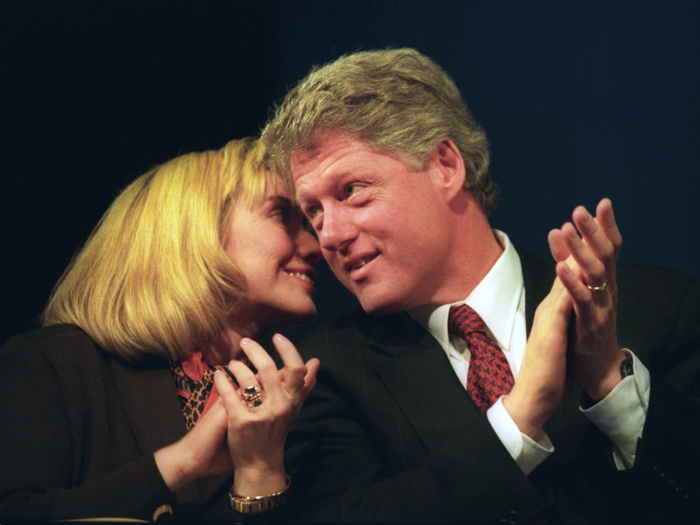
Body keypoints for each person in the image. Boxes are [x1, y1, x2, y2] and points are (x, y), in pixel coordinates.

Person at [262, 48, 700, 524]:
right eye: (315, 212)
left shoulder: (665, 308)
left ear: (446, 167)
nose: (329, 236)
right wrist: (518, 418)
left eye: (351, 191)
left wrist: (608, 381)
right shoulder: (328, 375)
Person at [0, 138, 322, 521]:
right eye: (281, 215)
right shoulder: (54, 365)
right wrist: (181, 462)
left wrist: (261, 472)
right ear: (198, 229)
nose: (315, 244)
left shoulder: (284, 407)